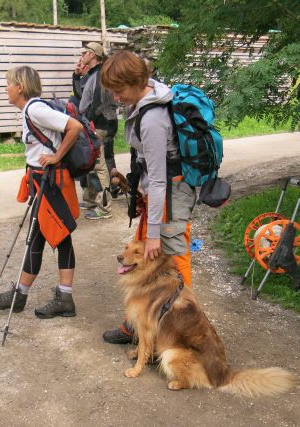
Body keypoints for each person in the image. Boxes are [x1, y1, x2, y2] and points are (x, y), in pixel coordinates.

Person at [99, 50, 196, 344]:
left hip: (169, 195)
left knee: (175, 265)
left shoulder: (153, 117)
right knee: (147, 260)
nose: (117, 97)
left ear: (136, 81)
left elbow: (158, 178)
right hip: (158, 195)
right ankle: (139, 326)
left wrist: (154, 233)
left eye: (119, 90)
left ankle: (182, 334)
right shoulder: (146, 99)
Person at [0, 65, 83, 318]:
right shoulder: (31, 110)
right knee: (42, 236)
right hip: (41, 181)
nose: (6, 88)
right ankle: (28, 294)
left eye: (9, 83)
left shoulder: (36, 109)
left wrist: (55, 156)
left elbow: (75, 127)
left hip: (51, 182)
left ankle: (53, 298)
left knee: (56, 236)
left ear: (19, 87)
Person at [78, 42, 119, 220]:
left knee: (99, 167)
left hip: (99, 126)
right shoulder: (94, 74)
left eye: (85, 52)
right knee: (90, 164)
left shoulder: (101, 74)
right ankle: (90, 201)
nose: (82, 56)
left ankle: (104, 208)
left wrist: (89, 122)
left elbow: (99, 103)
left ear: (93, 55)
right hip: (96, 124)